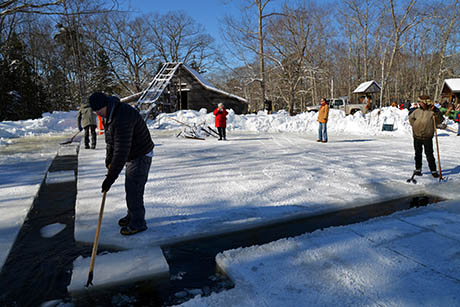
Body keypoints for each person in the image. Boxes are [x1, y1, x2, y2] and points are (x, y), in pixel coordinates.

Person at [89, 92, 154, 236]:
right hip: (132, 152)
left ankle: (138, 223)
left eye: (99, 111)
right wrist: (108, 160)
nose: (99, 115)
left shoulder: (122, 117)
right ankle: (132, 215)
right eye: (96, 113)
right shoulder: (109, 114)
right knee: (130, 187)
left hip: (140, 153)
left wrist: (110, 179)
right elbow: (110, 141)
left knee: (134, 189)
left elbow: (121, 151)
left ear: (105, 105)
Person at [408, 96, 444, 178]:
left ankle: (433, 171)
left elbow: (440, 120)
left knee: (429, 155)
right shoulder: (417, 111)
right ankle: (418, 169)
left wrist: (436, 111)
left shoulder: (432, 112)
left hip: (427, 137)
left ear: (425, 102)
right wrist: (414, 125)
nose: (419, 103)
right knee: (417, 154)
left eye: (420, 102)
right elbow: (411, 118)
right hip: (417, 136)